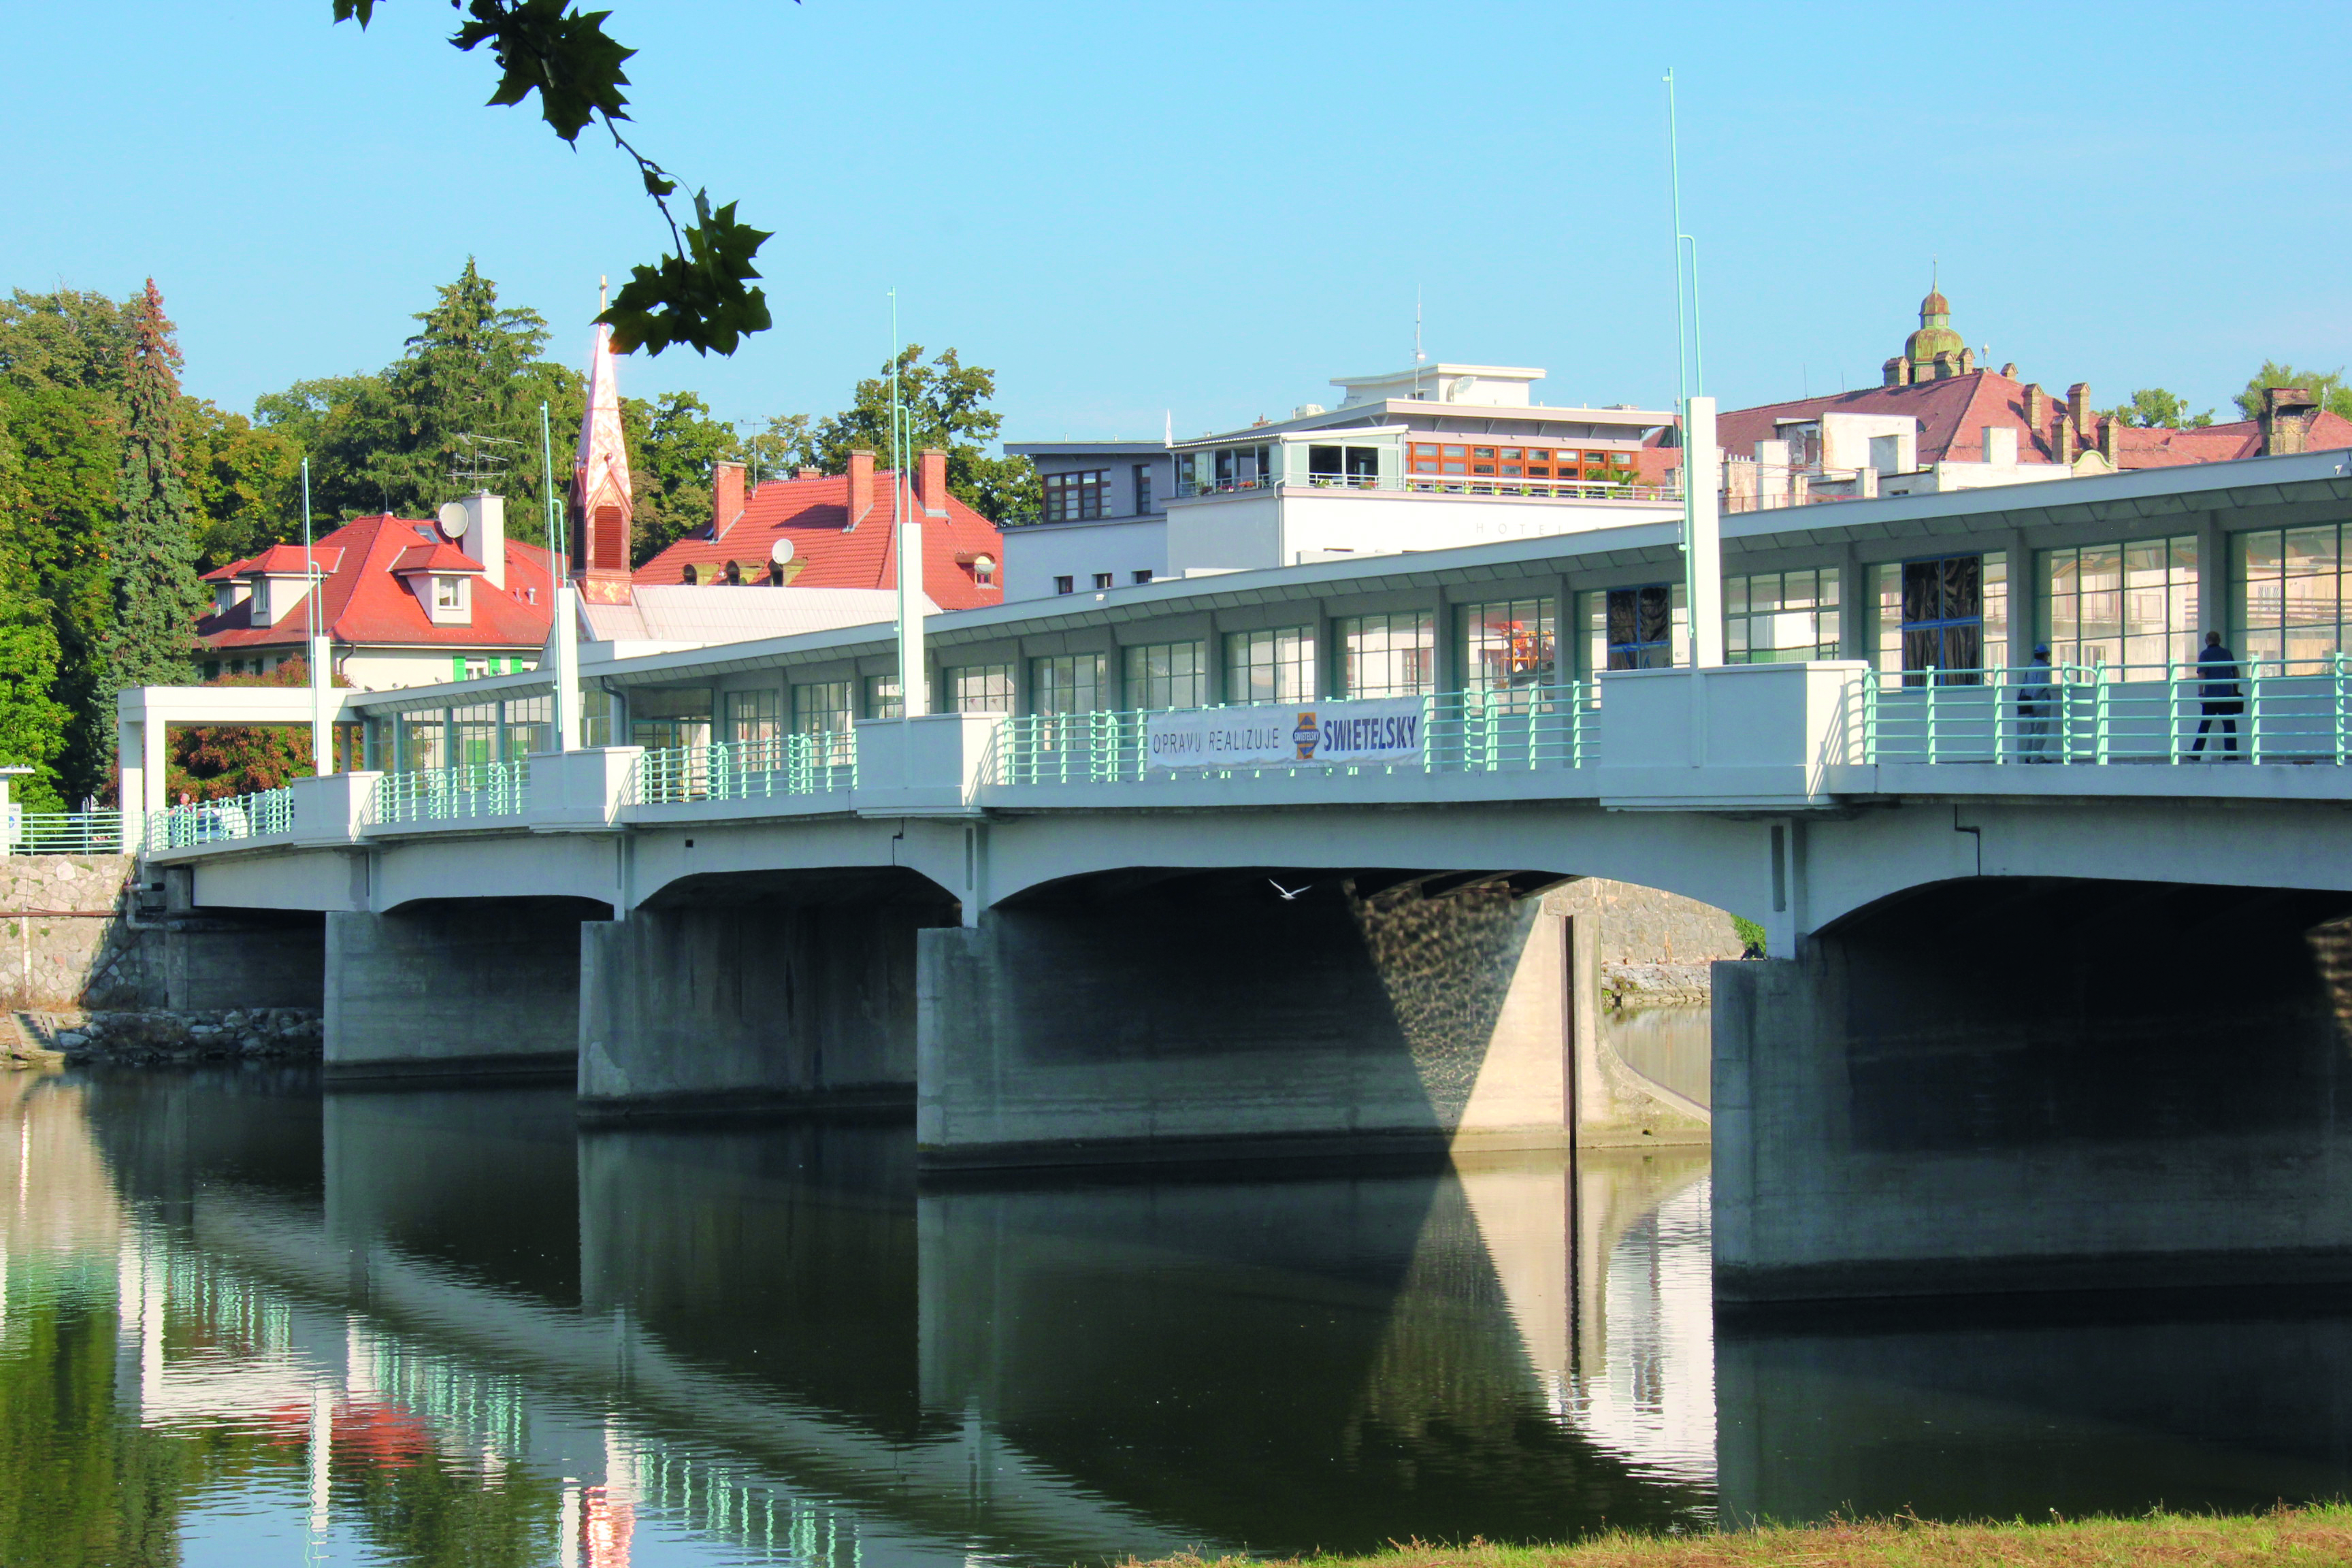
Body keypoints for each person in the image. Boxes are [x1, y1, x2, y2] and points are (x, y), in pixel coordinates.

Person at [2189, 630, 2242, 759]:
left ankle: (2196, 753)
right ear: (2219, 640)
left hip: (2211, 697)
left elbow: (2202, 675)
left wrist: (2200, 693)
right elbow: (2236, 672)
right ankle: (2232, 754)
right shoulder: (2227, 653)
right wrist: (2235, 689)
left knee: (2205, 726)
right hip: (2226, 696)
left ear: (2207, 641)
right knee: (2229, 726)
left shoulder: (2205, 655)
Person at [2018, 642, 2056, 762]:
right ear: (2045, 655)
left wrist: (2030, 700)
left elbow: (2025, 685)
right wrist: (2035, 698)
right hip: (2041, 703)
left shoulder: (2030, 667)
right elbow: (2040, 686)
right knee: (2041, 731)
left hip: (2030, 704)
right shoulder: (2043, 668)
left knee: (2032, 730)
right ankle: (2036, 757)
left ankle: (2029, 755)